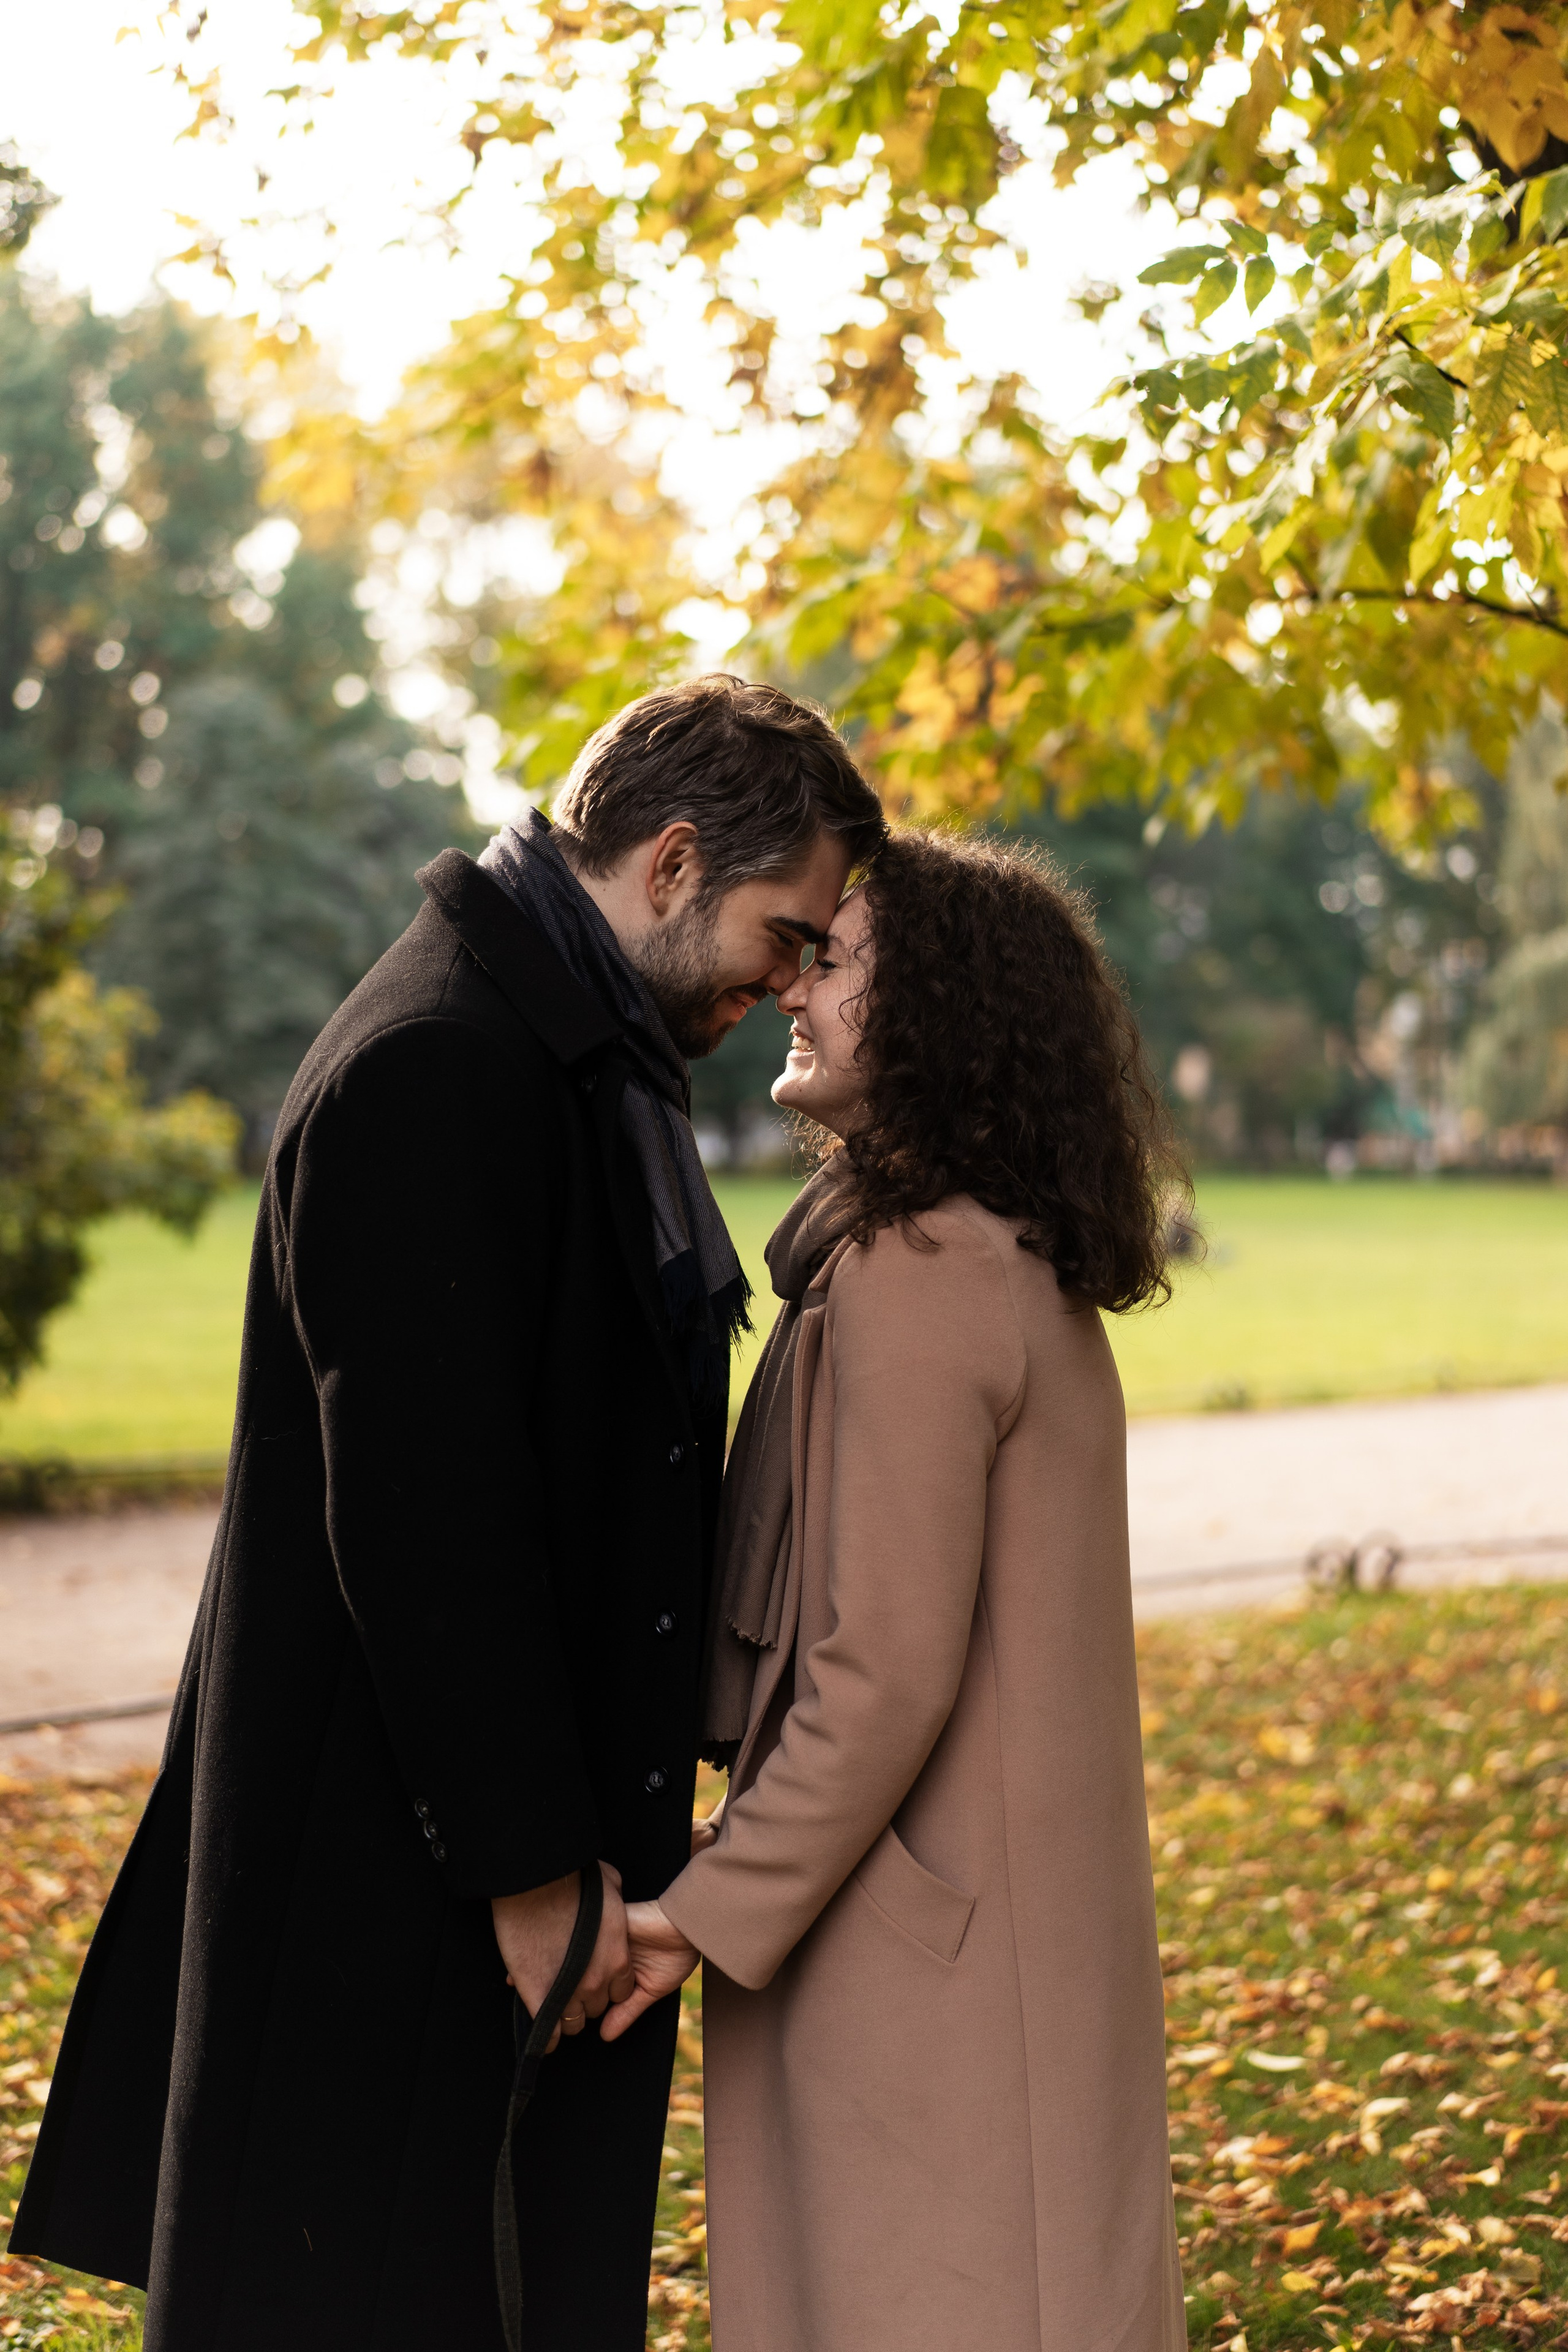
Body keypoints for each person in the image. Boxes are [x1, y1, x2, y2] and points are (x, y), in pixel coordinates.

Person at [11, 675, 886, 2351]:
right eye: (789, 934)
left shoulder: (561, 1051)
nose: (792, 980)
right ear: (675, 861)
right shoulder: (443, 1062)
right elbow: (427, 1521)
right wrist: (532, 1875)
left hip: (484, 1856)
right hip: (406, 1873)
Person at [602, 830, 1189, 2351]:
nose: (793, 989)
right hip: (967, 1931)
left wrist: (699, 1906)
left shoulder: (922, 1269)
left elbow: (881, 1675)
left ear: (937, 1015)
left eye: (834, 964)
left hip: (933, 1954)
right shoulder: (984, 1250)